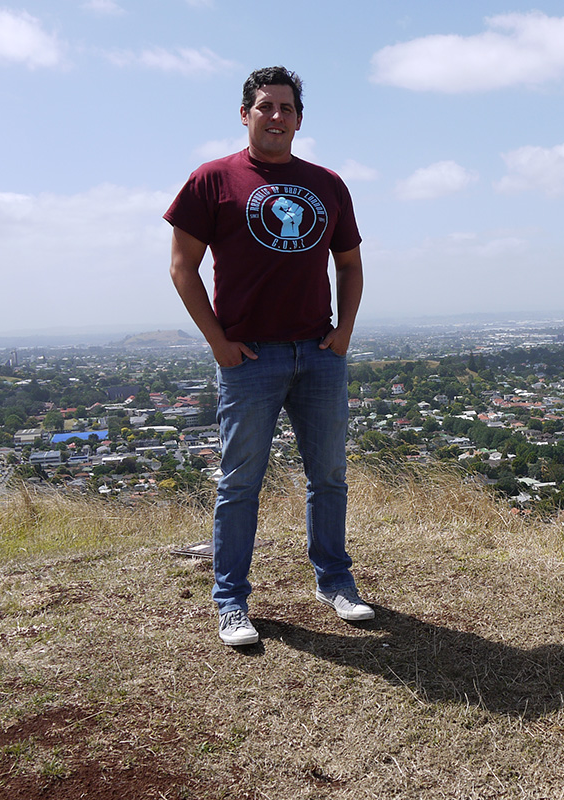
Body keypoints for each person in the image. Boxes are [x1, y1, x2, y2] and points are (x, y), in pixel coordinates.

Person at [165, 66, 371, 647]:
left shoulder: (327, 184)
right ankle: (231, 601)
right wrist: (218, 342)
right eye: (265, 106)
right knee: (239, 483)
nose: (276, 116)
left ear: (300, 119)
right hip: (249, 359)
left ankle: (335, 582)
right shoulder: (212, 179)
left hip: (318, 353)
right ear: (245, 114)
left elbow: (349, 264)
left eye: (287, 107)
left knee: (328, 476)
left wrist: (344, 332)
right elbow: (182, 268)